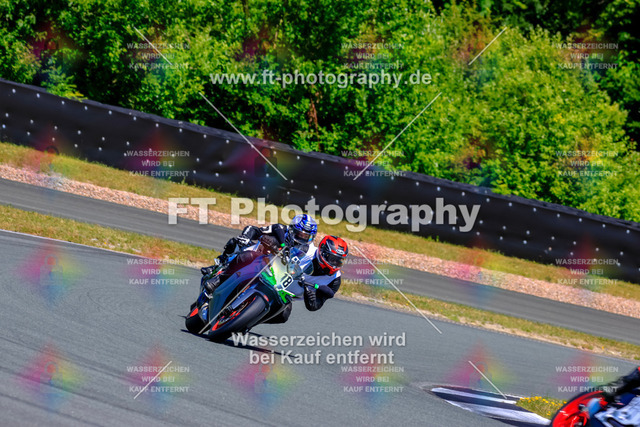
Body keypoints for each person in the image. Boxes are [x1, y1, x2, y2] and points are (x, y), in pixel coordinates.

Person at [197, 214, 318, 300]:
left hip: (275, 275)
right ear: (292, 229)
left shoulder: (308, 251)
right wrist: (245, 237)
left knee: (284, 314)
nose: (302, 238)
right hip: (257, 258)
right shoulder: (280, 229)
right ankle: (219, 272)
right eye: (299, 234)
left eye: (306, 236)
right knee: (237, 244)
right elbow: (254, 229)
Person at [264, 235, 349, 324]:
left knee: (283, 316)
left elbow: (314, 306)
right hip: (270, 275)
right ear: (323, 253)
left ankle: (255, 321)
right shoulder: (306, 250)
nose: (335, 264)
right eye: (332, 259)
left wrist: (311, 297)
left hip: (285, 295)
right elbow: (283, 249)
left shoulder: (334, 280)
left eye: (339, 261)